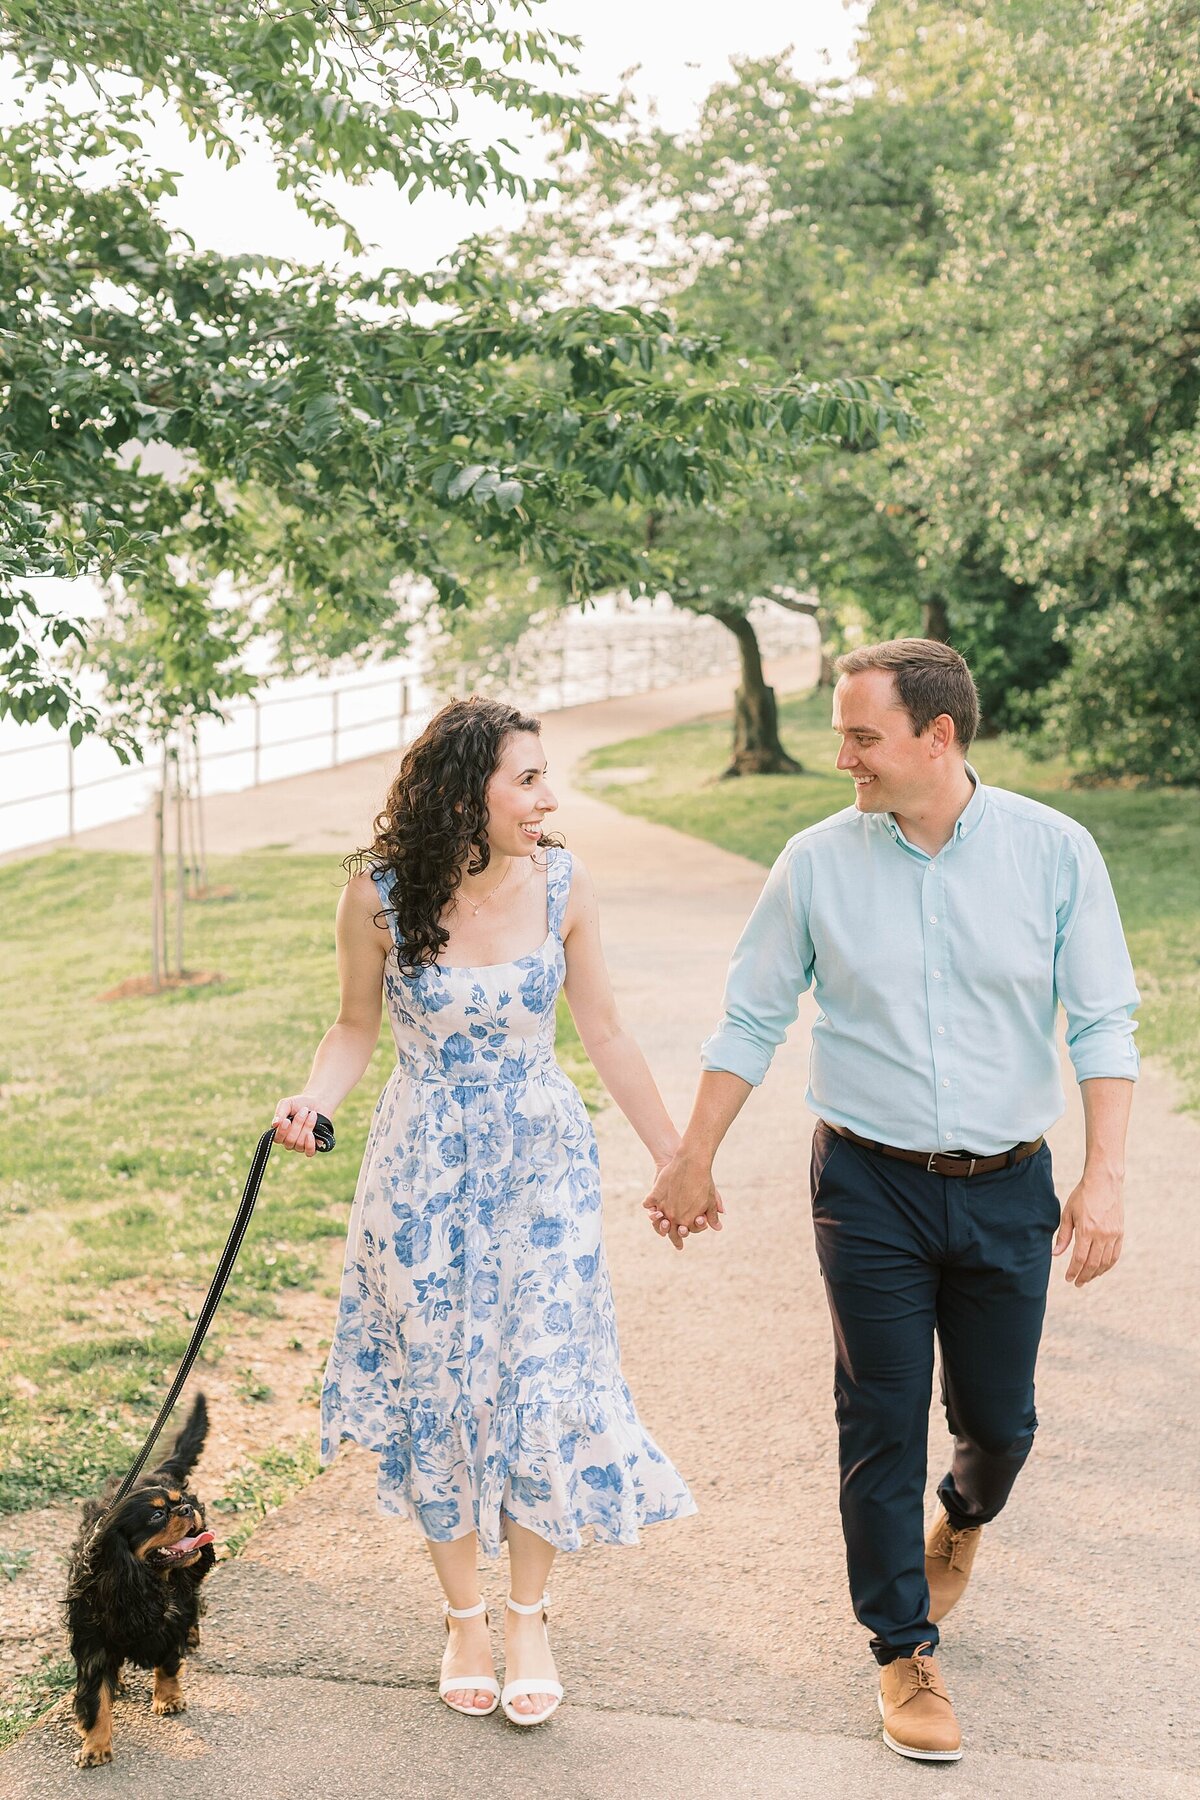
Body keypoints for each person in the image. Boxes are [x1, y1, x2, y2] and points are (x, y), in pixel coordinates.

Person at [645, 638, 1138, 1763]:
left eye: (863, 737)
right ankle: (900, 1649)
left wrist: (1105, 1176)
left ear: (938, 736)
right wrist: (692, 1156)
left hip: (1009, 1184)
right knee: (878, 1417)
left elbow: (1104, 1020)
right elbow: (752, 1017)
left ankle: (963, 1520)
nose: (843, 759)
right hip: (867, 1182)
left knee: (1000, 1425)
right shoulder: (816, 863)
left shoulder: (1054, 853)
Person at [273, 696, 694, 1727]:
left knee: (539, 1380)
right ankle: (465, 1616)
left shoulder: (563, 884)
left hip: (540, 1167)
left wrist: (678, 1158)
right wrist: (312, 1100)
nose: (550, 798)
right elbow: (350, 1028)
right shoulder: (378, 898)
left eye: (548, 777)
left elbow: (605, 1031)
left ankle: (529, 1614)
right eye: (529, 779)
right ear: (466, 792)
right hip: (422, 1172)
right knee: (446, 1390)